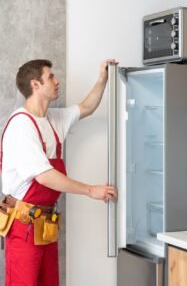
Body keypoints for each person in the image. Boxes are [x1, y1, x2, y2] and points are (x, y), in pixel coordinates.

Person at [0, 58, 118, 286]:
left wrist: (103, 78)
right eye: (51, 77)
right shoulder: (21, 125)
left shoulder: (54, 119)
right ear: (35, 84)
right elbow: (44, 175)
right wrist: (91, 190)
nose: (57, 81)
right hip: (23, 226)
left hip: (45, 225)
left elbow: (87, 107)